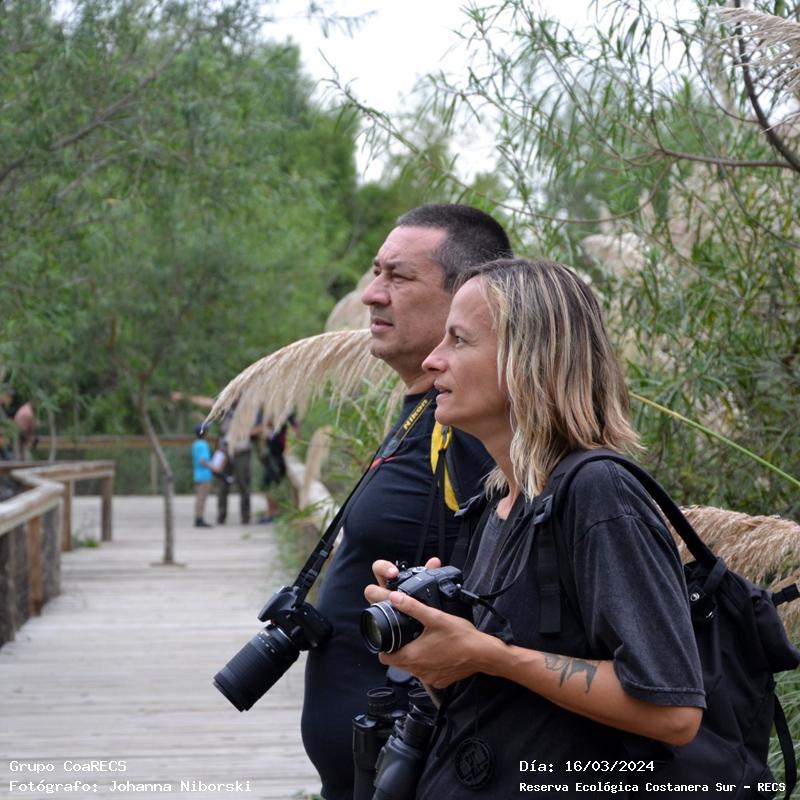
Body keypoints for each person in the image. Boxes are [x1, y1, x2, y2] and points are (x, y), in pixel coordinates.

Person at [366, 258, 705, 797]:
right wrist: (435, 647)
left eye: (459, 340)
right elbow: (495, 698)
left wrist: (490, 655)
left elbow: (674, 713)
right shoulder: (496, 503)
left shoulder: (599, 493)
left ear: (528, 360)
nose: (432, 360)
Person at [301, 205, 513, 800]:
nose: (372, 294)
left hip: (422, 769)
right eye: (376, 273)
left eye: (399, 277)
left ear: (468, 296)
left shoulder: (471, 428)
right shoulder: (427, 410)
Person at [216, 404, 254, 525]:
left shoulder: (248, 411)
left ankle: (245, 517)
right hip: (225, 452)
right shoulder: (226, 412)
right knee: (223, 485)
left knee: (243, 485)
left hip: (241, 452)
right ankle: (221, 516)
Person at [191, 424, 214, 528]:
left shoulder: (195, 444)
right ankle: (199, 519)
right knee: (202, 498)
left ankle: (198, 518)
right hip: (204, 475)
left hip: (197, 475)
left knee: (199, 498)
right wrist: (213, 466)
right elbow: (203, 461)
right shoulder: (203, 444)